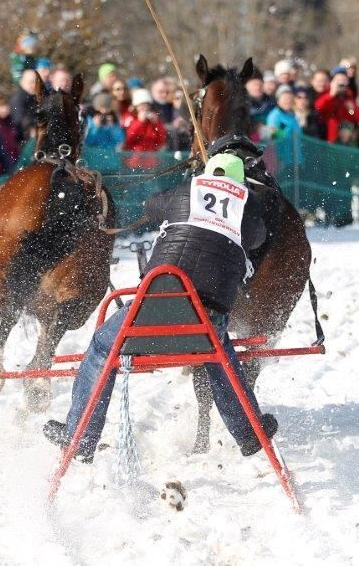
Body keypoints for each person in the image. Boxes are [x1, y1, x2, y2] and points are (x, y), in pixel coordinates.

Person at [43, 153, 279, 461]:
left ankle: (80, 437)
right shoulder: (246, 207)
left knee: (103, 346)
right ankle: (248, 432)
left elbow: (151, 205)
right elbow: (259, 238)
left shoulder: (187, 189)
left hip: (149, 316)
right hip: (206, 323)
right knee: (219, 352)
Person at [315, 70, 359, 143]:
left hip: (345, 139)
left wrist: (351, 110)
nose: (341, 84)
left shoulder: (348, 97)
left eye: (344, 81)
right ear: (332, 82)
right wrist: (331, 95)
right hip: (328, 138)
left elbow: (358, 118)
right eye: (338, 81)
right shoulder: (327, 94)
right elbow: (318, 108)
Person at [124, 89, 167, 169]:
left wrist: (156, 124)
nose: (144, 108)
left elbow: (161, 141)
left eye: (146, 105)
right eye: (141, 105)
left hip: (151, 162)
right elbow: (128, 140)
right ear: (136, 107)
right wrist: (140, 123)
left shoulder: (154, 121)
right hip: (134, 162)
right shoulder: (131, 119)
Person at [9, 69, 42, 140]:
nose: (34, 85)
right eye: (31, 82)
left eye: (36, 82)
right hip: (24, 140)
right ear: (22, 82)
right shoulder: (18, 100)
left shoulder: (36, 97)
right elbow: (19, 122)